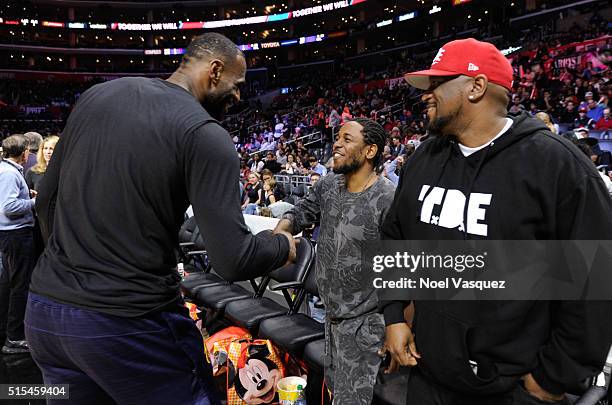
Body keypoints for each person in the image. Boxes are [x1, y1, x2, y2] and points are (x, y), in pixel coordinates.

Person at [28, 33, 296, 404]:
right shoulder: (204, 133)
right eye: (237, 86)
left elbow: (46, 203)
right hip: (128, 323)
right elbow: (232, 258)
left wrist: (70, 266)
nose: (239, 97)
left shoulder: (96, 98)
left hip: (46, 316)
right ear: (215, 71)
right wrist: (281, 244)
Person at [380, 38, 612, 405]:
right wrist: (394, 315)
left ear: (476, 86)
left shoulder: (556, 165)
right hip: (428, 374)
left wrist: (550, 379)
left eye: (437, 84)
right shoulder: (425, 156)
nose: (426, 95)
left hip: (510, 388)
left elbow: (594, 283)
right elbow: (395, 239)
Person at [274, 118, 396, 404]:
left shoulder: (387, 198)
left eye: (347, 139)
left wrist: (397, 327)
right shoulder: (329, 185)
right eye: (337, 137)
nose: (337, 144)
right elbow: (301, 211)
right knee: (334, 392)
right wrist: (283, 228)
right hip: (331, 319)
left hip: (367, 324)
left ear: (370, 151)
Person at [0, 134, 37, 354]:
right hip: (15, 235)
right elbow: (9, 207)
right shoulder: (8, 173)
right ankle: (14, 338)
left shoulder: (8, 170)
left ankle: (8, 332)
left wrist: (26, 194)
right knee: (19, 286)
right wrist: (34, 201)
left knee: (10, 283)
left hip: (11, 235)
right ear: (23, 152)